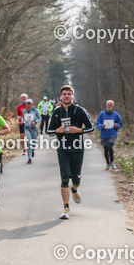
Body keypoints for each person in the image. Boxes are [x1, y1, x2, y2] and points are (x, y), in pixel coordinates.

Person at [45, 85, 93, 220]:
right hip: (63, 149)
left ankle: (74, 189)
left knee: (76, 179)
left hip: (77, 149)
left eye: (69, 94)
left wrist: (79, 130)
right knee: (65, 177)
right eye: (64, 94)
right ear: (61, 96)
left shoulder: (79, 110)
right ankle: (66, 208)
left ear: (72, 96)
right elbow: (48, 131)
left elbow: (91, 128)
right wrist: (57, 131)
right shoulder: (56, 112)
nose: (66, 96)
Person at [95, 100, 123, 170]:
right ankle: (108, 163)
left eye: (110, 105)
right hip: (104, 134)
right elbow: (97, 123)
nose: (109, 106)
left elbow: (120, 124)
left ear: (113, 106)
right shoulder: (102, 114)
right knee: (106, 149)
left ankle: (112, 162)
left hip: (112, 133)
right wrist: (101, 126)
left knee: (110, 146)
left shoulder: (116, 115)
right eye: (108, 105)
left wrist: (117, 125)